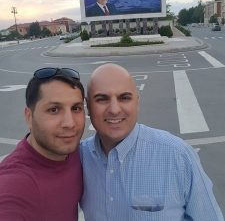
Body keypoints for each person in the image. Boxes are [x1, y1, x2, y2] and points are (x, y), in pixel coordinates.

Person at [80, 63, 224, 221]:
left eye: (125, 98)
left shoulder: (177, 155)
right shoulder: (78, 158)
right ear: (88, 106)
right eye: (102, 99)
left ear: (137, 102)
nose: (114, 109)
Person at [0, 67, 85, 221]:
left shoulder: (79, 153)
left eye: (76, 108)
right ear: (29, 116)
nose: (70, 123)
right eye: (54, 110)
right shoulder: (14, 184)